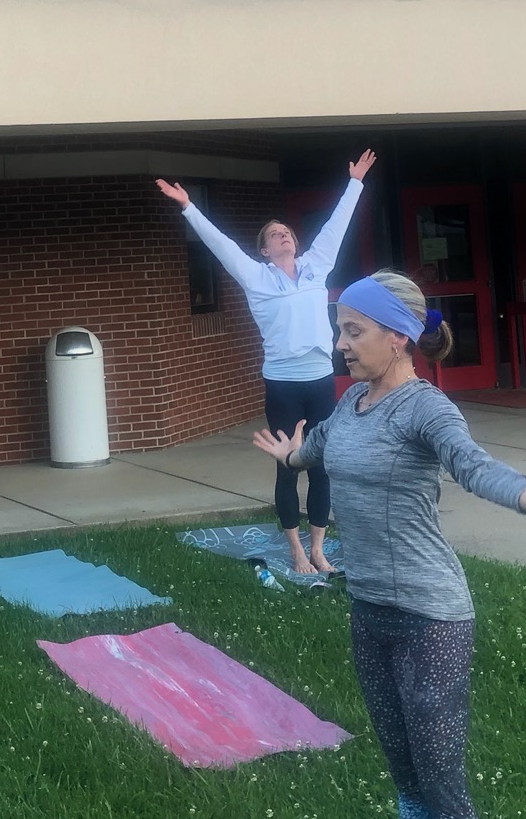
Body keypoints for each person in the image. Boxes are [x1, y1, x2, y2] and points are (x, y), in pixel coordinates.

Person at [252, 269, 526, 819]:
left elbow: (476, 468)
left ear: (399, 337)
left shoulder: (426, 409)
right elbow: (316, 452)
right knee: (407, 781)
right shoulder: (351, 403)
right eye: (339, 330)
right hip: (369, 613)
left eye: (353, 331)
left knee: (443, 787)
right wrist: (290, 455)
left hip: (431, 618)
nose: (341, 344)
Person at [156, 149, 376, 575]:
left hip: (320, 380)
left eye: (287, 232)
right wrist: (188, 207)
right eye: (275, 235)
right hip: (283, 385)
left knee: (322, 468)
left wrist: (355, 183)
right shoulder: (256, 277)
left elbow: (337, 226)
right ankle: (296, 551)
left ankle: (318, 550)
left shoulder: (316, 266)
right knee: (287, 467)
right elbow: (220, 244)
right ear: (264, 250)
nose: (284, 236)